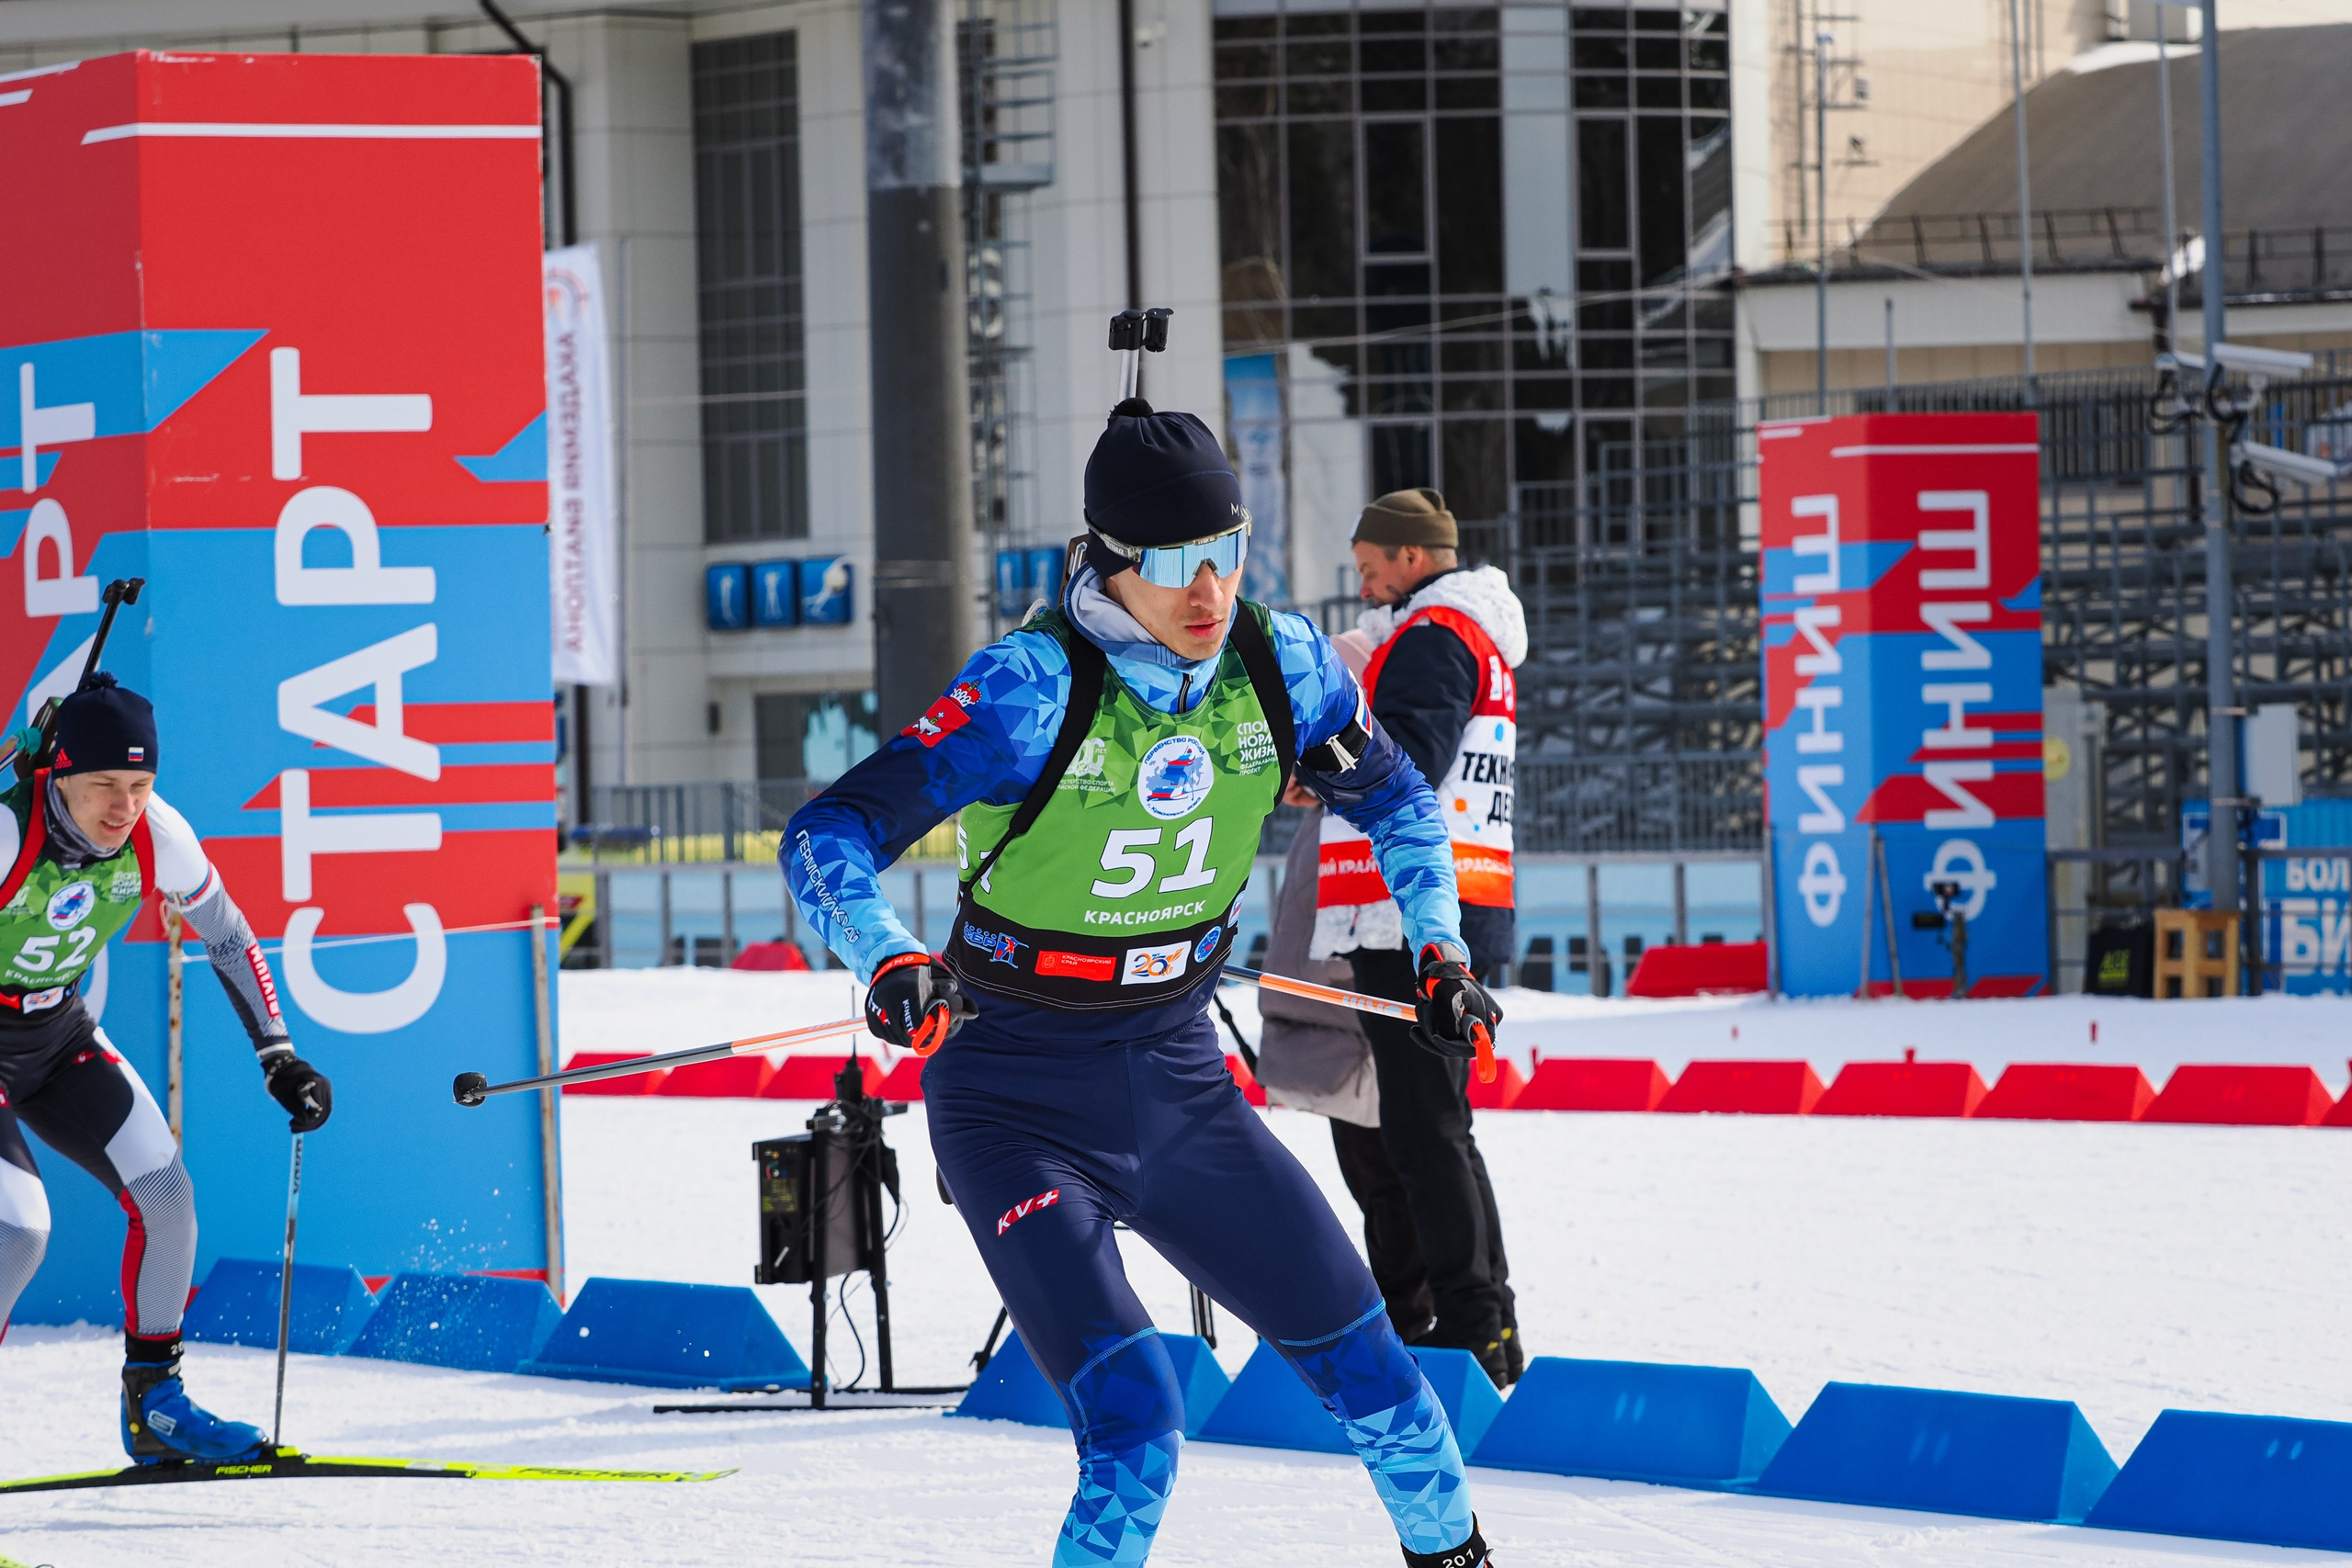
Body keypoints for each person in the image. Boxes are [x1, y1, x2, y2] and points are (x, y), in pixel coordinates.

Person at [786, 400, 1504, 1568]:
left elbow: (1398, 798)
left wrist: (1439, 945)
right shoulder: (1028, 689)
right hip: (1014, 1099)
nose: (1208, 593)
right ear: (1110, 563)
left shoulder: (1282, 664)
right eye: (1174, 565)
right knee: (1137, 1430)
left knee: (1381, 1381)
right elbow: (829, 833)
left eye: (1226, 554)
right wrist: (889, 954)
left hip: (1181, 1089)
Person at [0, 675, 332, 1464]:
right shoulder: (8, 835)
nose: (123, 808)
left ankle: (155, 1407)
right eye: (103, 785)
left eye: (141, 786)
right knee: (19, 1230)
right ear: (56, 775)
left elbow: (228, 934)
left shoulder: (160, 834)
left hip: (54, 1032)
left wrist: (277, 1053)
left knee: (167, 1195)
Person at [1312, 487, 1527, 1387]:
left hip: (1415, 917)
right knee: (1391, 1128)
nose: (1363, 587)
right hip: (1432, 908)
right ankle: (1427, 1315)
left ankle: (1475, 1324)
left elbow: (1405, 762)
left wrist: (1316, 764)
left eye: (1369, 568)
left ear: (1409, 558)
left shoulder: (1437, 635)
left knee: (1424, 1128)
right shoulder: (1454, 633)